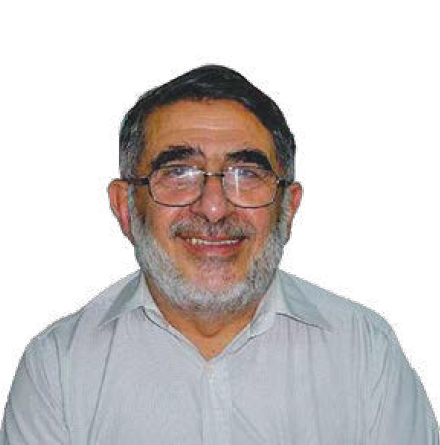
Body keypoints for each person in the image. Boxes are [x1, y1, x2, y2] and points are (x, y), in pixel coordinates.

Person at [0, 65, 438, 444]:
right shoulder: (58, 369)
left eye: (246, 173)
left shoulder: (364, 352)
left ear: (288, 208)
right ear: (126, 207)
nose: (213, 207)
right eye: (178, 173)